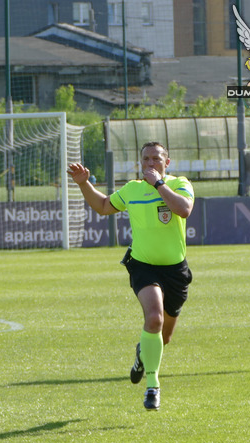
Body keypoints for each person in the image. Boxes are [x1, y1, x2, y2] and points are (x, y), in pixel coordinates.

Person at [67, 142, 194, 411]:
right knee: (154, 318)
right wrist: (83, 184)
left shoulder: (179, 184)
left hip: (175, 270)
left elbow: (183, 209)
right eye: (146, 159)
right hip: (142, 265)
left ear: (166, 162)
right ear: (140, 162)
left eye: (156, 159)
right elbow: (103, 206)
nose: (150, 163)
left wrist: (160, 184)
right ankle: (153, 386)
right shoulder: (132, 189)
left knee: (164, 336)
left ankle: (142, 356)